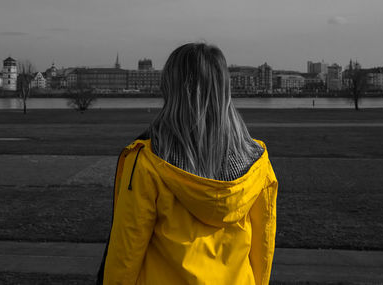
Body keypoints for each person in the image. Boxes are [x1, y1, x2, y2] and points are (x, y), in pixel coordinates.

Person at [97, 43, 278, 285]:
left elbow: (124, 256)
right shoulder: (257, 163)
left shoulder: (148, 161)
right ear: (225, 89)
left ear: (171, 89)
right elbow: (263, 248)